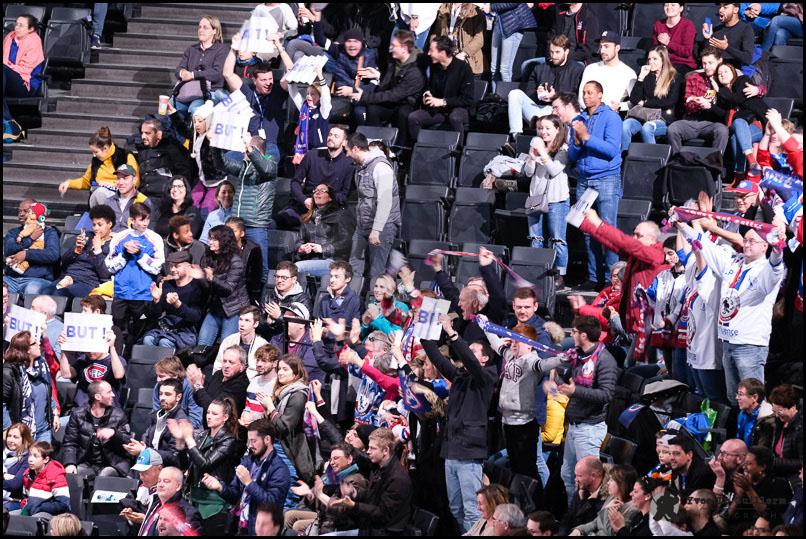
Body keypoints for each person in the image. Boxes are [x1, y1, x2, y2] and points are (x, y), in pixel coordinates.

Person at [677, 221, 784, 402]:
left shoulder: (765, 269)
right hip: (728, 342)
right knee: (734, 397)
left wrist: (778, 250)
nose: (747, 244)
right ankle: (737, 422)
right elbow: (707, 247)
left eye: (752, 241)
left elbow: (775, 269)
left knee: (752, 399)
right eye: (745, 240)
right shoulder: (734, 262)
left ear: (765, 245)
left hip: (749, 344)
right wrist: (681, 225)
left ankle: (757, 422)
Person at [421, 316, 498, 533]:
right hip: (451, 450)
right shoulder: (460, 376)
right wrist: (424, 331)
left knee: (473, 509)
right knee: (455, 508)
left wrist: (453, 334)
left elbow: (470, 362)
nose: (467, 352)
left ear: (484, 358)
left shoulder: (488, 375)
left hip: (469, 452)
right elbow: (438, 359)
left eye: (473, 350)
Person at [580, 209, 668, 355]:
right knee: (630, 366)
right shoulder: (638, 256)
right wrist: (586, 225)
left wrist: (599, 223)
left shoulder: (656, 254)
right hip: (637, 328)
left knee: (642, 367)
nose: (634, 238)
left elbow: (626, 242)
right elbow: (615, 244)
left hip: (651, 329)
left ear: (652, 239)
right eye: (633, 234)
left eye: (638, 235)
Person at [569, 82, 625, 289]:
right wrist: (577, 143)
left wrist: (586, 137)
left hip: (606, 178)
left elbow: (611, 150)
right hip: (584, 179)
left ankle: (613, 279)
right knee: (587, 230)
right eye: (583, 93)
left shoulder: (611, 117)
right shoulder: (579, 119)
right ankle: (594, 278)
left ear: (600, 95)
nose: (586, 96)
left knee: (607, 229)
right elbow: (572, 155)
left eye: (590, 93)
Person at [559, 316, 619, 501]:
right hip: (574, 425)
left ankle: (589, 514)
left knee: (589, 482)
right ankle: (573, 512)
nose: (572, 335)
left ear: (583, 335)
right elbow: (571, 382)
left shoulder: (605, 360)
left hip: (589, 429)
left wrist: (575, 391)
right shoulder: (577, 356)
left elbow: (606, 394)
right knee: (568, 476)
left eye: (574, 331)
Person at [201, 418, 291, 536]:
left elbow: (272, 505)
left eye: (254, 441)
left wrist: (249, 483)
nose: (250, 445)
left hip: (260, 530)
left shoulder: (280, 469)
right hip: (239, 526)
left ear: (267, 439)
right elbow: (234, 496)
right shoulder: (247, 461)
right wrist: (220, 487)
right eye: (249, 441)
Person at [211, 135, 278, 283]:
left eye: (245, 149)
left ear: (254, 149)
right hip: (237, 224)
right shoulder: (244, 166)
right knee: (230, 262)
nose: (242, 152)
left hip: (256, 225)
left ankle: (259, 295)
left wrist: (250, 150)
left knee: (260, 267)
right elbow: (222, 163)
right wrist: (215, 144)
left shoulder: (271, 162)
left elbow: (266, 170)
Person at [171, 398, 243, 534]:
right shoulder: (203, 435)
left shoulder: (228, 440)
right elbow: (186, 464)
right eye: (208, 412)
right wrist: (180, 444)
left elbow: (205, 464)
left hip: (213, 502)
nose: (209, 416)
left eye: (214, 414)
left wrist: (189, 440)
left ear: (225, 417)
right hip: (194, 498)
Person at [105, 202, 164, 355]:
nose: (145, 223)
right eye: (141, 219)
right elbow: (110, 266)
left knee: (138, 334)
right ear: (132, 220)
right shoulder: (120, 237)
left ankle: (132, 361)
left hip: (143, 295)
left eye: (147, 219)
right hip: (121, 293)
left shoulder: (155, 239)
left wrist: (139, 255)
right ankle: (118, 360)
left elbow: (157, 267)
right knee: (118, 333)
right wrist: (125, 254)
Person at [329, 428, 413, 534]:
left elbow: (382, 514)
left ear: (385, 450)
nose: (368, 451)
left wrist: (354, 505)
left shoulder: (398, 479)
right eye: (369, 447)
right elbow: (373, 498)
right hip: (370, 529)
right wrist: (354, 493)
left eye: (372, 448)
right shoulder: (378, 468)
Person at [346, 132, 400, 285]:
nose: (347, 155)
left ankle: (374, 299)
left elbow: (385, 201)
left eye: (347, 150)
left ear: (355, 149)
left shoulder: (381, 167)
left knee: (377, 272)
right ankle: (352, 297)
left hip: (383, 226)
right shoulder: (361, 167)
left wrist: (376, 230)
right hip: (363, 224)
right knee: (354, 266)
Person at [354, 29, 425, 143]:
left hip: (408, 103)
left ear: (404, 48)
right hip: (393, 102)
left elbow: (395, 94)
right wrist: (378, 76)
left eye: (394, 45)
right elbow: (388, 83)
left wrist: (364, 97)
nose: (390, 48)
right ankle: (373, 143)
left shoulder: (415, 71)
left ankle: (400, 147)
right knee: (373, 109)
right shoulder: (394, 61)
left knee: (403, 113)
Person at [524, 114, 570, 287]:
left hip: (556, 199)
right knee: (535, 237)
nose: (543, 132)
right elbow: (528, 173)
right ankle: (536, 272)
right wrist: (531, 157)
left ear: (557, 129)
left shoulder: (563, 149)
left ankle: (560, 275)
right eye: (540, 128)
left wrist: (543, 153)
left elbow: (554, 170)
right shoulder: (537, 146)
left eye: (547, 128)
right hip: (536, 197)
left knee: (557, 239)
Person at [222, 33, 287, 158]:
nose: (268, 83)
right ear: (255, 81)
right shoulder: (248, 92)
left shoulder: (278, 91)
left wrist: (279, 46)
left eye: (270, 79)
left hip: (271, 145)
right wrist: (234, 48)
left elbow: (291, 71)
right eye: (263, 80)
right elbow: (227, 74)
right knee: (228, 159)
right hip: (249, 144)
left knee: (265, 162)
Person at [508, 34, 584, 139]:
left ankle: (544, 126)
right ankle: (516, 136)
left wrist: (555, 96)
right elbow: (529, 92)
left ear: (566, 51)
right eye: (551, 52)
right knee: (514, 94)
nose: (553, 56)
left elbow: (575, 97)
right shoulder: (539, 69)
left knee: (561, 109)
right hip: (539, 109)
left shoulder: (577, 69)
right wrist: (538, 94)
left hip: (560, 112)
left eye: (557, 52)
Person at [283, 124, 354, 229]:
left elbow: (344, 195)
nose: (331, 138)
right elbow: (295, 182)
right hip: (306, 206)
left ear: (344, 142)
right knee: (278, 220)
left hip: (331, 210)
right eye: (330, 134)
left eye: (336, 136)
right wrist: (304, 200)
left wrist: (324, 201)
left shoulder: (349, 163)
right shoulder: (312, 155)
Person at [407, 35, 474, 142]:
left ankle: (458, 149)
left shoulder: (463, 68)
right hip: (439, 111)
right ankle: (420, 147)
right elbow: (429, 85)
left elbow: (467, 99)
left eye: (431, 50)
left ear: (442, 53)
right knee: (413, 117)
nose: (428, 53)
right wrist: (426, 93)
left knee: (455, 117)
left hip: (459, 109)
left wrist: (443, 102)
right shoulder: (435, 66)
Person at [61, 381, 131, 479]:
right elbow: (70, 442)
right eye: (109, 392)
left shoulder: (119, 415)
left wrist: (114, 433)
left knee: (105, 475)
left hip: (113, 463)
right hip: (86, 463)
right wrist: (70, 463)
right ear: (98, 397)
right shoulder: (78, 414)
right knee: (74, 474)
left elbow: (128, 441)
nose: (113, 395)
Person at [666, 47, 731, 154]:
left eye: (710, 63)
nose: (707, 67)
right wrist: (699, 103)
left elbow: (727, 109)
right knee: (673, 129)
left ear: (720, 61)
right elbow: (688, 105)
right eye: (704, 63)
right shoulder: (694, 78)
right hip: (692, 121)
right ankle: (677, 159)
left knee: (722, 131)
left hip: (713, 123)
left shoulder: (725, 79)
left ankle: (714, 161)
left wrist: (711, 104)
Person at [713, 62, 770, 182]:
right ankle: (750, 162)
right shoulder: (722, 95)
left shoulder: (741, 81)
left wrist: (719, 91)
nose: (722, 74)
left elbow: (738, 99)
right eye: (719, 73)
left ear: (733, 72)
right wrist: (710, 105)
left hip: (757, 124)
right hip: (739, 128)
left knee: (736, 133)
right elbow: (723, 114)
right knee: (738, 125)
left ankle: (739, 176)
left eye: (726, 71)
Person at [57, 126, 141, 207]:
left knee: (101, 192)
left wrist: (110, 184)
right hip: (98, 198)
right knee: (99, 193)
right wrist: (69, 183)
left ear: (105, 148)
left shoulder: (125, 157)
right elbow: (86, 182)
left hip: (121, 198)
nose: (94, 155)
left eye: (96, 152)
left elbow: (135, 182)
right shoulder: (96, 161)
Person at [196, 225, 250, 347]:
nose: (210, 242)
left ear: (224, 241)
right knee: (202, 345)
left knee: (227, 346)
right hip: (214, 309)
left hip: (233, 310)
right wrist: (199, 276)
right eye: (210, 238)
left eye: (214, 239)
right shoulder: (208, 256)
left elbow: (228, 289)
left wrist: (212, 278)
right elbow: (206, 286)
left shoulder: (236, 261)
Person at [263, 354, 314, 482]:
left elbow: (284, 427)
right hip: (276, 446)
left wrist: (271, 408)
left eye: (285, 369)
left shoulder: (298, 395)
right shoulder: (281, 393)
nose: (280, 373)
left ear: (295, 373)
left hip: (289, 451)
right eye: (279, 369)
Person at [142, 250, 206, 350]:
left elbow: (195, 317)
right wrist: (156, 301)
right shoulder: (168, 285)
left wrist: (178, 305)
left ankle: (168, 361)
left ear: (188, 267)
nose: (172, 269)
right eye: (171, 266)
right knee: (148, 339)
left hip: (186, 331)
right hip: (166, 327)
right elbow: (155, 315)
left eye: (177, 266)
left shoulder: (196, 286)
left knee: (165, 342)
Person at [622, 46, 683, 150]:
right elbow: (634, 100)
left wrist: (645, 103)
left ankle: (652, 159)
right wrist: (641, 77)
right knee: (625, 126)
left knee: (647, 128)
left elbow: (669, 102)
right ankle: (624, 157)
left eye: (655, 59)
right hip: (643, 116)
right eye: (649, 59)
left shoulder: (674, 77)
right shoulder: (647, 75)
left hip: (662, 118)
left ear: (663, 60)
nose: (651, 62)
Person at [3, 331, 57, 443]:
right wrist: (7, 429)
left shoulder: (42, 365)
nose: (39, 343)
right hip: (20, 434)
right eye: (34, 342)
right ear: (26, 350)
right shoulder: (10, 372)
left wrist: (54, 412)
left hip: (43, 431)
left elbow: (48, 391)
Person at [52, 204, 115, 299]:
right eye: (94, 225)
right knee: (46, 291)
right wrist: (76, 250)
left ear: (109, 224)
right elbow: (64, 262)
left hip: (88, 282)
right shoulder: (87, 236)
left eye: (100, 225)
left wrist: (98, 250)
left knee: (60, 293)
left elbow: (104, 274)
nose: (96, 228)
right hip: (69, 276)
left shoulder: (113, 244)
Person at [726, 445, 793, 534]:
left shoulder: (779, 484)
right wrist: (739, 495)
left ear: (762, 467)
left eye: (749, 463)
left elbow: (770, 518)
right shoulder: (742, 482)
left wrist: (749, 490)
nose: (744, 467)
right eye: (744, 463)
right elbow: (728, 517)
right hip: (736, 530)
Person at [123, 378, 188, 468]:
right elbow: (149, 441)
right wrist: (140, 446)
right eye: (161, 394)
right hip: (151, 463)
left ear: (178, 397)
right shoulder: (157, 415)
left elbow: (174, 457)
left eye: (167, 394)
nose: (162, 398)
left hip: (167, 469)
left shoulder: (180, 421)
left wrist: (144, 450)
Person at [172, 15, 228, 117]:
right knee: (168, 108)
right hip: (187, 91)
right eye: (200, 27)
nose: (201, 30)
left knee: (195, 110)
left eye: (205, 27)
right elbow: (179, 69)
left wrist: (193, 75)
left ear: (214, 31)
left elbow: (217, 73)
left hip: (208, 92)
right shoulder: (191, 49)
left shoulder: (222, 49)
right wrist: (182, 73)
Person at [294, 184, 354, 278]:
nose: (317, 193)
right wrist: (301, 248)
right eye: (315, 190)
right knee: (286, 268)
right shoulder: (308, 218)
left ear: (330, 198)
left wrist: (323, 248)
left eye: (322, 191)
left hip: (333, 261)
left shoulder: (339, 215)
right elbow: (299, 241)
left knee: (296, 268)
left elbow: (346, 242)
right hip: (311, 258)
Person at [129, 119, 194, 205]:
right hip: (144, 197)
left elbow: (184, 174)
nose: (143, 136)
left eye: (148, 133)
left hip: (165, 198)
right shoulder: (142, 150)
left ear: (159, 134)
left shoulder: (172, 148)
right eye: (142, 133)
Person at [324, 27, 379, 126]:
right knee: (324, 111)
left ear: (361, 43)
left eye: (356, 41)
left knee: (360, 113)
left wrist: (353, 90)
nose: (352, 45)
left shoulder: (369, 56)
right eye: (349, 41)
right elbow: (321, 39)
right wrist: (317, 20)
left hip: (361, 97)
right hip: (343, 97)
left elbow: (372, 86)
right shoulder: (340, 54)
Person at [4, 199, 60, 295]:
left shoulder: (49, 232)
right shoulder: (13, 232)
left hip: (37, 279)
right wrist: (30, 239)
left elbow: (52, 255)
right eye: (19, 211)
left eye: (26, 211)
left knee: (32, 290)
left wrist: (27, 254)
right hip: (11, 279)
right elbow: (8, 250)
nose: (21, 214)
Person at [58, 328, 124, 409]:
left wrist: (112, 347)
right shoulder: (83, 359)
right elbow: (66, 374)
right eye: (88, 349)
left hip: (106, 410)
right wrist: (64, 350)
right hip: (82, 409)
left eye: (94, 349)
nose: (90, 352)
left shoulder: (115, 360)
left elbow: (119, 375)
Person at [3, 14, 44, 142]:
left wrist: (7, 66)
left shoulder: (34, 41)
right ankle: (10, 123)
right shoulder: (10, 37)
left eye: (21, 25)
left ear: (31, 29)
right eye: (16, 24)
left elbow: (25, 69)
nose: (17, 27)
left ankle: (10, 124)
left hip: (25, 83)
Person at [569, 464, 640, 536]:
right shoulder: (612, 497)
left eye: (611, 480)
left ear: (622, 484)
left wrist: (607, 510)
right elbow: (596, 522)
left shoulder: (632, 510)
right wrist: (579, 529)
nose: (608, 483)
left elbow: (611, 533)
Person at [285, 58, 331, 165]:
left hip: (319, 150)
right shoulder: (304, 107)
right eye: (308, 93)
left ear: (319, 96)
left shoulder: (324, 110)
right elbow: (294, 94)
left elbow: (326, 96)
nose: (308, 96)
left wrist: (320, 76)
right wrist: (290, 76)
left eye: (312, 94)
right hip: (304, 149)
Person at [578, 32, 637, 112]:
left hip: (611, 115)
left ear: (617, 48)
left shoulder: (628, 73)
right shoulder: (590, 69)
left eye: (606, 46)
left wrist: (620, 106)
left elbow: (634, 102)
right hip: (588, 113)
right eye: (601, 46)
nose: (602, 50)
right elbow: (581, 97)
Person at [138, 467, 202, 536]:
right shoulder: (155, 504)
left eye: (166, 481)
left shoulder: (188, 513)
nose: (161, 485)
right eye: (159, 481)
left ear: (178, 486)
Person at [187, 345, 250, 415]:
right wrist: (194, 386)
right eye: (224, 361)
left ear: (242, 367)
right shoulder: (218, 374)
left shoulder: (241, 384)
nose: (226, 365)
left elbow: (214, 409)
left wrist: (198, 385)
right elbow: (202, 400)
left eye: (231, 362)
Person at [212, 305, 269, 380]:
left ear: (256, 324)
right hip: (227, 381)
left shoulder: (263, 345)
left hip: (249, 383)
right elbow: (218, 365)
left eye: (247, 320)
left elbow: (261, 372)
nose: (242, 324)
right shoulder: (229, 340)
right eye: (240, 319)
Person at [431, 3, 486, 77]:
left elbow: (479, 39)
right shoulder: (444, 8)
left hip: (467, 58)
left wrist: (464, 53)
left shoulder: (475, 11)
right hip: (446, 57)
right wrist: (436, 49)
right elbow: (436, 33)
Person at [261, 261, 312, 338]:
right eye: (277, 276)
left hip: (290, 341)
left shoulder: (303, 300)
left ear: (294, 279)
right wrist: (268, 323)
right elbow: (258, 323)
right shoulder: (268, 295)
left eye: (284, 278)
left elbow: (301, 329)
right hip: (268, 339)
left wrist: (279, 316)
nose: (279, 280)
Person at [18, 441, 69, 518]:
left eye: (35, 456)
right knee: (10, 516)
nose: (30, 459)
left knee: (34, 519)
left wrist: (40, 507)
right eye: (30, 455)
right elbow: (26, 497)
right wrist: (25, 506)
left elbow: (63, 504)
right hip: (31, 511)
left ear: (46, 459)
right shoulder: (28, 475)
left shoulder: (56, 475)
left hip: (52, 515)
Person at [151, 356, 203, 429]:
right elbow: (156, 415)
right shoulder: (158, 386)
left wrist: (175, 430)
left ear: (175, 375)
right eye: (157, 376)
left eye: (161, 376)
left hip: (186, 430)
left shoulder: (191, 388)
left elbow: (195, 420)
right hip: (164, 428)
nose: (158, 380)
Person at [489, 3, 536, 83]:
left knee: (504, 69)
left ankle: (507, 91)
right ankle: (495, 91)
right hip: (499, 22)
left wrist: (491, 7)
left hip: (513, 24)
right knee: (494, 68)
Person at [767, 384, 803, 479]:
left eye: (780, 411)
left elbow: (801, 462)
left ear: (793, 407)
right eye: (774, 411)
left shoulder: (800, 429)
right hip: (778, 473)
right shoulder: (778, 423)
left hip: (794, 478)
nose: (776, 415)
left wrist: (775, 462)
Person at [225, 217, 263, 305]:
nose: (229, 235)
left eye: (233, 231)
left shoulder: (253, 249)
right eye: (226, 231)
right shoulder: (221, 248)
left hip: (244, 294)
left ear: (242, 233)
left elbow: (255, 279)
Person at [104, 164, 153, 232]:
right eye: (118, 178)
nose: (120, 182)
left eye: (125, 178)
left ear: (134, 180)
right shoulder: (109, 201)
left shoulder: (144, 201)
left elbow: (149, 230)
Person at [706, 3, 755, 69]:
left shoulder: (745, 29)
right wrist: (707, 38)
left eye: (725, 7)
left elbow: (747, 59)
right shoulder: (716, 29)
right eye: (720, 7)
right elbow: (706, 55)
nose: (720, 10)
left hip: (733, 71)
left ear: (735, 10)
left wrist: (727, 48)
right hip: (714, 69)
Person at [240, 344, 280, 424]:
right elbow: (248, 406)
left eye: (264, 361)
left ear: (275, 363)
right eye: (258, 360)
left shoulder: (278, 385)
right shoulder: (254, 381)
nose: (259, 364)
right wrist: (244, 416)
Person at [653, 3, 697, 73]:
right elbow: (655, 49)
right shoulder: (659, 24)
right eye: (666, 5)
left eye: (673, 5)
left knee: (671, 75)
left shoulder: (688, 25)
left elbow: (687, 52)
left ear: (681, 8)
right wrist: (662, 46)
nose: (669, 7)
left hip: (682, 63)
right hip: (663, 62)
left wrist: (668, 43)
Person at [3, 422, 34, 511]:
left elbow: (15, 484)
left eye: (15, 437)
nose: (10, 440)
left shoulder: (28, 458)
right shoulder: (4, 454)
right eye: (9, 436)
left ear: (24, 440)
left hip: (15, 501)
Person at [736, 378, 775, 448]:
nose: (737, 397)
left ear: (754, 397)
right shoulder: (743, 413)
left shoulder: (767, 420)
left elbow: (762, 450)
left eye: (740, 394)